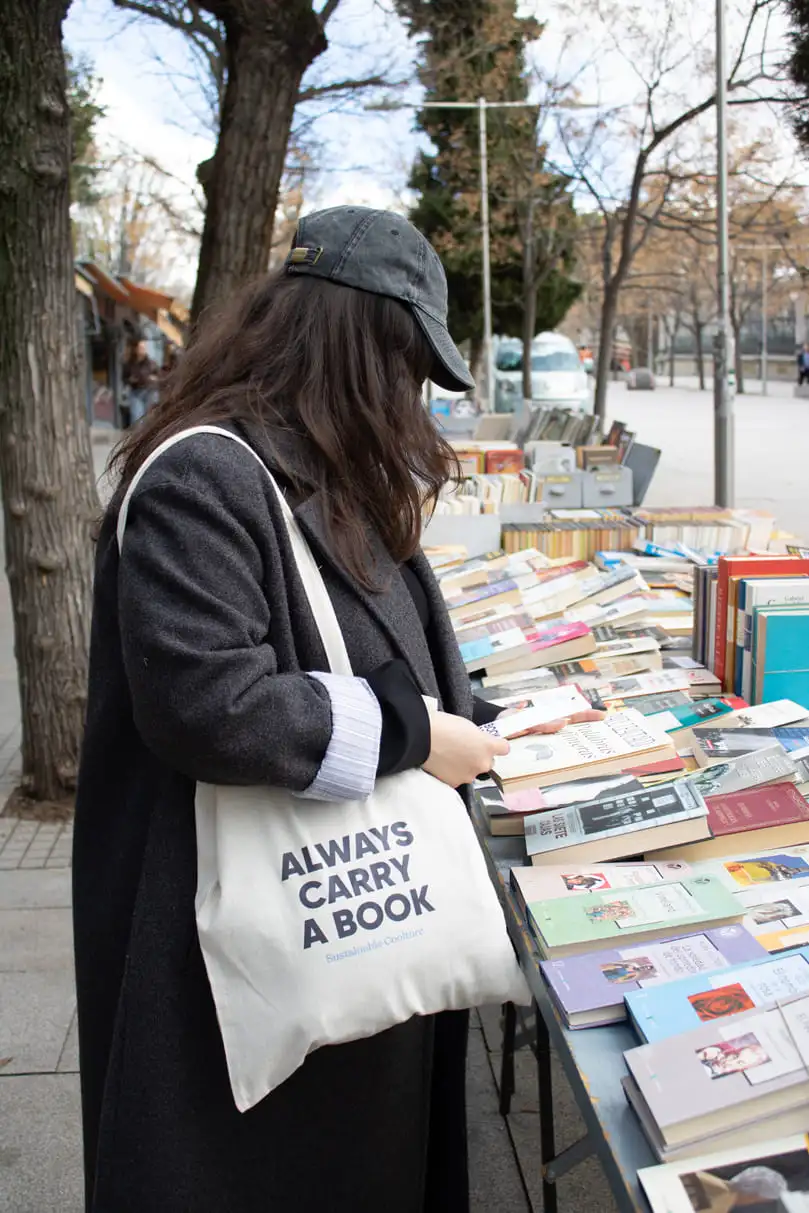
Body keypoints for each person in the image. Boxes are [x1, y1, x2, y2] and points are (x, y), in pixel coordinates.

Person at [73, 205, 602, 1213]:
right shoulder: (208, 475)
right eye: (407, 370)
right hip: (232, 970)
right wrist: (416, 735)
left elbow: (374, 653)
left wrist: (496, 713)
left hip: (337, 943)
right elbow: (208, 703)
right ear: (356, 348)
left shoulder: (317, 469)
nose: (413, 402)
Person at [122, 338, 159, 424]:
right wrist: (130, 380)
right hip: (135, 392)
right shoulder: (129, 363)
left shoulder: (151, 363)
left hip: (149, 391)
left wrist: (154, 379)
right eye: (140, 347)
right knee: (136, 417)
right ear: (136, 349)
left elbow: (158, 375)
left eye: (144, 347)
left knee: (149, 417)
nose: (142, 349)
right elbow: (124, 378)